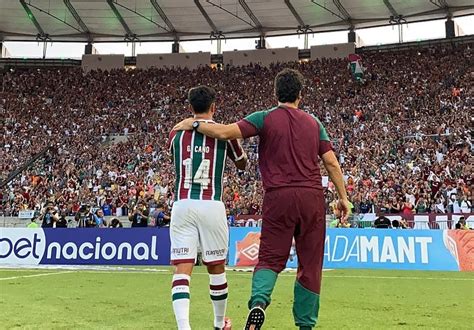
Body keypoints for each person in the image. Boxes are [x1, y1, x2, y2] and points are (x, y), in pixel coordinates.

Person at [174, 69, 349, 330]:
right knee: (310, 263)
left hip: (278, 196)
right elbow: (331, 163)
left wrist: (195, 123)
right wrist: (343, 197)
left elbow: (226, 133)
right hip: (312, 197)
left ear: (275, 93)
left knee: (269, 258)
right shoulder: (314, 123)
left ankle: (258, 303)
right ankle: (305, 325)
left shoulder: (264, 118)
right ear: (300, 95)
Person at [169, 86, 247, 330]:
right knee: (216, 267)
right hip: (211, 204)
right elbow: (242, 164)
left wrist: (190, 125)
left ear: (190, 107)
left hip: (182, 204)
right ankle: (218, 324)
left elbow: (176, 154)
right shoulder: (226, 135)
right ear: (214, 106)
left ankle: (184, 327)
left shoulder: (176, 135)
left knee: (183, 268)